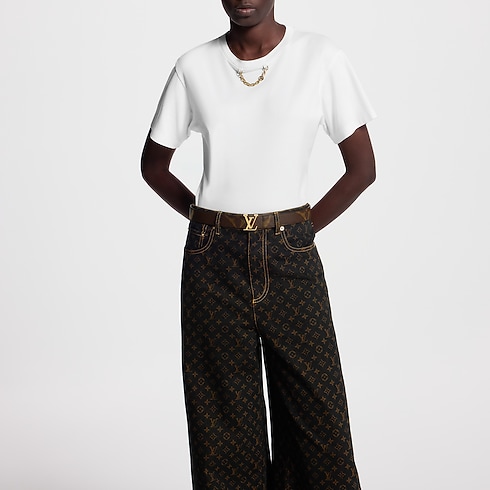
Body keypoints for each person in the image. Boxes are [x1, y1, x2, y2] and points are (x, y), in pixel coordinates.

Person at [141, 1, 376, 488]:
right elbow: (153, 166)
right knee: (221, 418)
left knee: (318, 414)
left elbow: (362, 168)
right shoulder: (193, 67)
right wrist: (205, 223)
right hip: (212, 262)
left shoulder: (320, 57)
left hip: (291, 254)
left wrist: (300, 232)